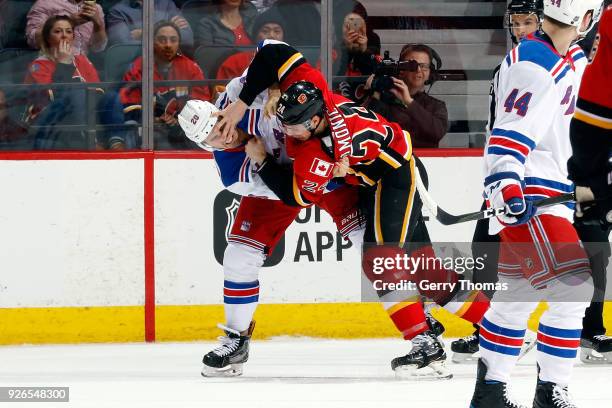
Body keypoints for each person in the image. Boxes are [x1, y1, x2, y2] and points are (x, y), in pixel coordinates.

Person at [213, 39, 492, 379]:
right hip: (368, 176)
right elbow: (274, 54)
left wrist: (260, 158)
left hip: (391, 177)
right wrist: (268, 91)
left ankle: (425, 344)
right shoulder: (311, 98)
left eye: (294, 127)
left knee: (381, 260)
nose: (287, 132)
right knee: (425, 270)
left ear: (314, 121)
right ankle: (500, 327)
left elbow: (295, 195)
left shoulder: (313, 151)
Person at [177, 75, 367, 377]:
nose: (222, 135)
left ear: (219, 110)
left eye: (217, 123)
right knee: (238, 257)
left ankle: (421, 321)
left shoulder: (235, 95)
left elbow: (270, 56)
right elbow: (294, 195)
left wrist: (275, 88)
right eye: (211, 137)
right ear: (204, 146)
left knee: (373, 246)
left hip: (328, 160)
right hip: (286, 184)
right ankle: (236, 339)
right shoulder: (233, 174)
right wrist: (264, 161)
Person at [469, 1, 603, 407]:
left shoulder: (569, 58)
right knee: (575, 289)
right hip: (531, 196)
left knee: (517, 298)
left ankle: (489, 391)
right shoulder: (535, 61)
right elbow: (508, 135)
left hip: (550, 194)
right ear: (586, 18)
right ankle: (551, 391)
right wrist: (506, 183)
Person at [451, 0, 544, 363]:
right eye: (516, 22)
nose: (520, 30)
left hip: (530, 175)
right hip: (504, 175)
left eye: (528, 22)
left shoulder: (547, 66)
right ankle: (492, 329)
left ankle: (520, 333)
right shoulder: (509, 64)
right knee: (485, 253)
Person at [567, 4, 612, 363]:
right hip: (589, 155)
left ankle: (588, 327)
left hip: (591, 151)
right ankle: (587, 327)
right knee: (592, 246)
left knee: (594, 246)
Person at [24, 15, 126, 150]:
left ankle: (116, 142)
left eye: (68, 31)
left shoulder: (81, 60)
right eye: (58, 31)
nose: (64, 36)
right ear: (48, 38)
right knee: (78, 90)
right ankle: (90, 141)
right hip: (53, 120)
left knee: (111, 97)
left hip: (87, 112)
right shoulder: (37, 66)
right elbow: (54, 97)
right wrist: (64, 63)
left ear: (73, 36)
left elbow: (98, 90)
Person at [119, 20, 210, 149]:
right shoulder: (139, 67)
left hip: (184, 129)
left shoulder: (191, 68)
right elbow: (128, 102)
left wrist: (179, 120)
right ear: (152, 43)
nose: (168, 45)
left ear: (179, 44)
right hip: (148, 129)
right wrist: (150, 120)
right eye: (162, 40)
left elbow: (202, 104)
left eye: (173, 40)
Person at [362, 44, 448, 148]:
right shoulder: (384, 100)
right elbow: (366, 131)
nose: (419, 70)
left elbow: (437, 133)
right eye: (413, 65)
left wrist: (409, 102)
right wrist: (373, 94)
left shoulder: (436, 106)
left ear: (430, 73)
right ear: (401, 70)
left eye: (424, 66)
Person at [216, 6, 286, 80]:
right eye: (265, 31)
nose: (271, 35)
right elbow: (222, 90)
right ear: (256, 36)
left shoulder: (293, 61)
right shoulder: (235, 62)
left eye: (277, 31)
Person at [26, 0, 107, 55]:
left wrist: (98, 25)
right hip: (54, 64)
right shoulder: (45, 3)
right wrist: (68, 22)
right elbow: (33, 40)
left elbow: (98, 48)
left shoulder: (97, 8)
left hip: (85, 66)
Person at [106, 0, 194, 50]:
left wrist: (144, 33)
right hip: (136, 68)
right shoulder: (117, 11)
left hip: (169, 63)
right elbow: (123, 46)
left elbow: (188, 39)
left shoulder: (167, 4)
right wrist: (170, 30)